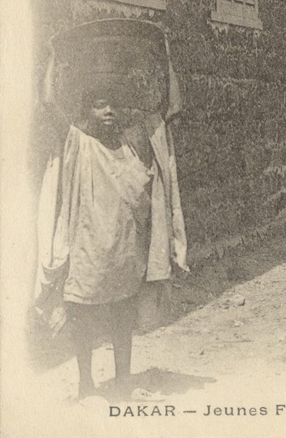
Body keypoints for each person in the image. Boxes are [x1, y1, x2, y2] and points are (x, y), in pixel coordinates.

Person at [35, 58, 186, 401]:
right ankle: (86, 384)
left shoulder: (134, 147)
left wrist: (165, 58)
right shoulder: (79, 144)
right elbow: (48, 103)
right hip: (88, 250)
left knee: (122, 317)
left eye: (113, 105)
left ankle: (121, 382)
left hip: (124, 251)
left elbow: (173, 110)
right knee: (83, 316)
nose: (108, 112)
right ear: (87, 112)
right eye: (99, 105)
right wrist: (54, 59)